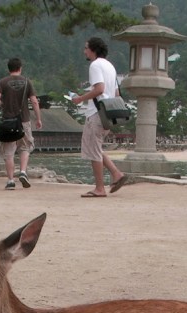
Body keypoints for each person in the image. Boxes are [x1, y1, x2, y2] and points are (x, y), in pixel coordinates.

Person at [71, 37, 127, 198]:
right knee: (95, 148)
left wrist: (80, 98)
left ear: (93, 49)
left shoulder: (95, 65)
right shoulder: (110, 66)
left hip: (96, 112)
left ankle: (99, 188)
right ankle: (116, 174)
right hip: (109, 114)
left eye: (86, 48)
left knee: (93, 150)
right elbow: (115, 93)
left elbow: (100, 89)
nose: (84, 51)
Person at [0, 57, 42, 190]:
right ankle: (23, 172)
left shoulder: (3, 82)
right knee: (25, 147)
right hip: (24, 120)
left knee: (9, 152)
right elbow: (34, 101)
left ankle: (10, 181)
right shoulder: (27, 82)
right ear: (20, 68)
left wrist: (3, 105)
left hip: (8, 121)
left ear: (9, 69)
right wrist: (38, 118)